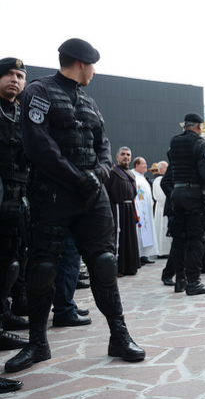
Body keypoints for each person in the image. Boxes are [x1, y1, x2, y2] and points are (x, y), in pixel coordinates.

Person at [6, 38, 145, 372]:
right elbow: (39, 145)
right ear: (82, 63)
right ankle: (38, 344)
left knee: (104, 263)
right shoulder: (38, 92)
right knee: (42, 268)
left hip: (91, 195)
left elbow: (104, 146)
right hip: (52, 195)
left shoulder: (89, 102)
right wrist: (76, 178)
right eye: (93, 66)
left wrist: (97, 173)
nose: (94, 72)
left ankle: (119, 335)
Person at [167, 113, 205, 295]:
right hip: (195, 196)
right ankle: (194, 282)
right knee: (196, 239)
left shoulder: (174, 143)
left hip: (177, 194)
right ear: (199, 126)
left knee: (179, 239)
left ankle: (180, 279)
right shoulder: (200, 143)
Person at [0, 57, 28, 393]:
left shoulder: (24, 115)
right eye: (8, 73)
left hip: (19, 202)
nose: (15, 79)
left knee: (10, 266)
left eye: (20, 75)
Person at [104, 147, 140, 276]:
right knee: (119, 239)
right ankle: (118, 267)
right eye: (123, 154)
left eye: (128, 155)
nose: (126, 157)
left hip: (129, 210)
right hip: (118, 210)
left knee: (129, 238)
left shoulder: (131, 174)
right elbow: (107, 192)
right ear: (117, 157)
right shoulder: (113, 173)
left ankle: (130, 266)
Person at [131, 157, 158, 266]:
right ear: (137, 165)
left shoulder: (142, 178)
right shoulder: (133, 176)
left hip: (146, 209)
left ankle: (144, 255)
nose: (146, 166)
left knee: (146, 232)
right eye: (144, 164)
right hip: (139, 210)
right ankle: (138, 255)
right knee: (139, 233)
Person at [153, 161, 171, 257]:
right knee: (163, 228)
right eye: (166, 167)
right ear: (160, 170)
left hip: (163, 207)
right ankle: (163, 251)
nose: (167, 169)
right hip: (162, 207)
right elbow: (162, 196)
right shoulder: (159, 181)